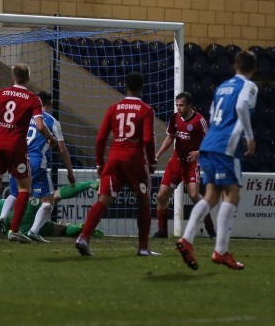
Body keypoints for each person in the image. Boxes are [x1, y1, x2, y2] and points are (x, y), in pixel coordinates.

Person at [175, 50, 257, 271]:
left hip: (209, 144)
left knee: (211, 196)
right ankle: (220, 250)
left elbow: (213, 113)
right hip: (226, 147)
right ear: (253, 68)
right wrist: (249, 137)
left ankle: (187, 239)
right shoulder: (249, 86)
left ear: (234, 66)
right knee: (232, 195)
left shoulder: (222, 87)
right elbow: (240, 108)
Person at [75, 71, 158, 257]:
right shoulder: (146, 110)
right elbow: (148, 140)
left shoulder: (114, 108)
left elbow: (100, 138)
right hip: (134, 158)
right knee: (143, 200)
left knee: (103, 200)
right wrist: (151, 162)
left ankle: (83, 237)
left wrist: (98, 162)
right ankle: (143, 247)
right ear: (141, 88)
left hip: (113, 158)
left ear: (126, 87)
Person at [0, 63, 57, 243]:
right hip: (17, 147)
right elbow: (40, 126)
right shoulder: (33, 99)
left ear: (13, 77)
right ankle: (14, 230)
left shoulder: (0, 93)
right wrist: (51, 139)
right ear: (28, 78)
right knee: (24, 187)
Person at [0, 90, 76, 243]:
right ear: (50, 105)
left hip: (16, 157)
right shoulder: (52, 121)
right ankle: (34, 231)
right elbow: (62, 149)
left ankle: (2, 219)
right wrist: (70, 171)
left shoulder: (24, 116)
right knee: (48, 201)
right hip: (36, 162)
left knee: (14, 194)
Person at [152, 92, 214, 239]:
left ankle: (211, 229)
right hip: (176, 162)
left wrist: (200, 152)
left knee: (193, 195)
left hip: (192, 163)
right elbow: (170, 137)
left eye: (181, 105)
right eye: (177, 105)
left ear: (189, 105)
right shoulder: (174, 118)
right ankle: (162, 231)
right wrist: (157, 155)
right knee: (161, 196)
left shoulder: (199, 120)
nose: (178, 108)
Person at [0, 179, 103, 239]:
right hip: (22, 214)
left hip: (23, 229)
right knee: (54, 196)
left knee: (61, 230)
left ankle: (81, 229)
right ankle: (91, 183)